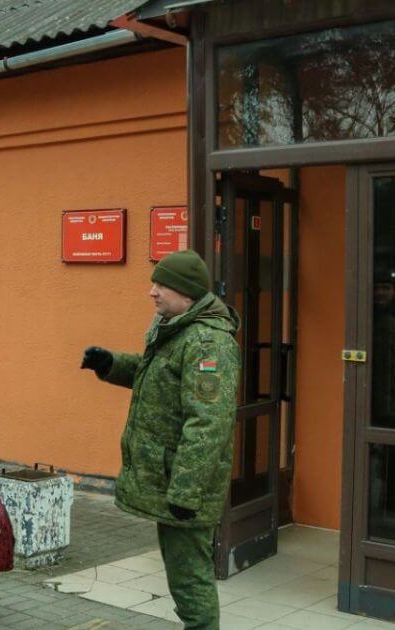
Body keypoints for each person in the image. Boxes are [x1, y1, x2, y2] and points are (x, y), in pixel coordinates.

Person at [80, 249, 240, 630]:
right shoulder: (176, 328)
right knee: (182, 577)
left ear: (186, 293)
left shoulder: (207, 343)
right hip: (173, 482)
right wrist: (111, 365)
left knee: (190, 579)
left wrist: (186, 490)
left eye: (161, 286)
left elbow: (208, 423)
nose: (152, 292)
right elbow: (158, 376)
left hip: (186, 488)